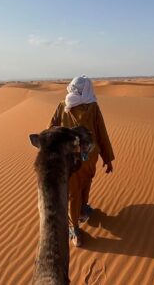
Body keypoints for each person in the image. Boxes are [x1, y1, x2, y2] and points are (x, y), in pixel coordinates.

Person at [48, 75, 115, 247]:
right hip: (71, 161)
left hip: (86, 160)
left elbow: (100, 132)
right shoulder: (72, 106)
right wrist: (107, 158)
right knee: (73, 193)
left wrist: (107, 158)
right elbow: (53, 130)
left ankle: (83, 209)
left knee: (84, 184)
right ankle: (74, 228)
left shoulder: (80, 106)